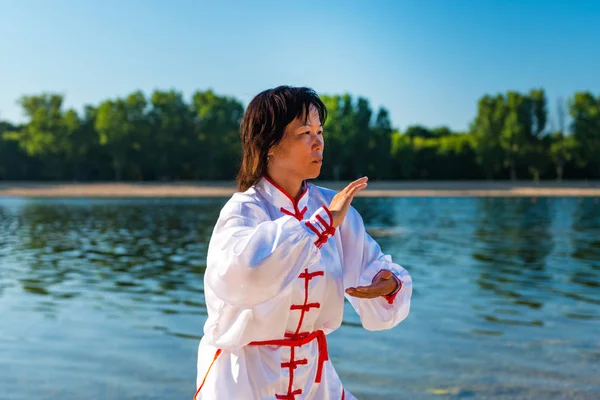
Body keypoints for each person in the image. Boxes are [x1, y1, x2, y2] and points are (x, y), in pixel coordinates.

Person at [194, 86, 412, 400]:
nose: (318, 142)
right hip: (248, 379)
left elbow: (370, 266)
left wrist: (386, 283)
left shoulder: (333, 206)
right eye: (304, 132)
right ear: (269, 144)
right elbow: (244, 274)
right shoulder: (244, 210)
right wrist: (321, 224)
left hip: (314, 376)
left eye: (320, 131)